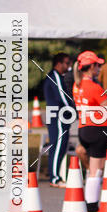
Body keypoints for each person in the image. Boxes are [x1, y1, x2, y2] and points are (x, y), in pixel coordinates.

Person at [72, 51, 107, 212]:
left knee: (96, 170)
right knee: (95, 172)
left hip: (84, 128)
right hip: (97, 130)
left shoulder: (77, 85)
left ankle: (94, 204)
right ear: (91, 67)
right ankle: (92, 209)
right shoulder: (93, 86)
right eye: (97, 65)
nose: (99, 68)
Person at [43, 52, 72, 187]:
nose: (69, 66)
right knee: (58, 146)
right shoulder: (55, 76)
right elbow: (63, 97)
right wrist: (75, 109)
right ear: (59, 64)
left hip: (59, 115)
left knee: (60, 146)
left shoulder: (58, 76)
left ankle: (56, 176)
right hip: (58, 116)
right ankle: (54, 178)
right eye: (67, 63)